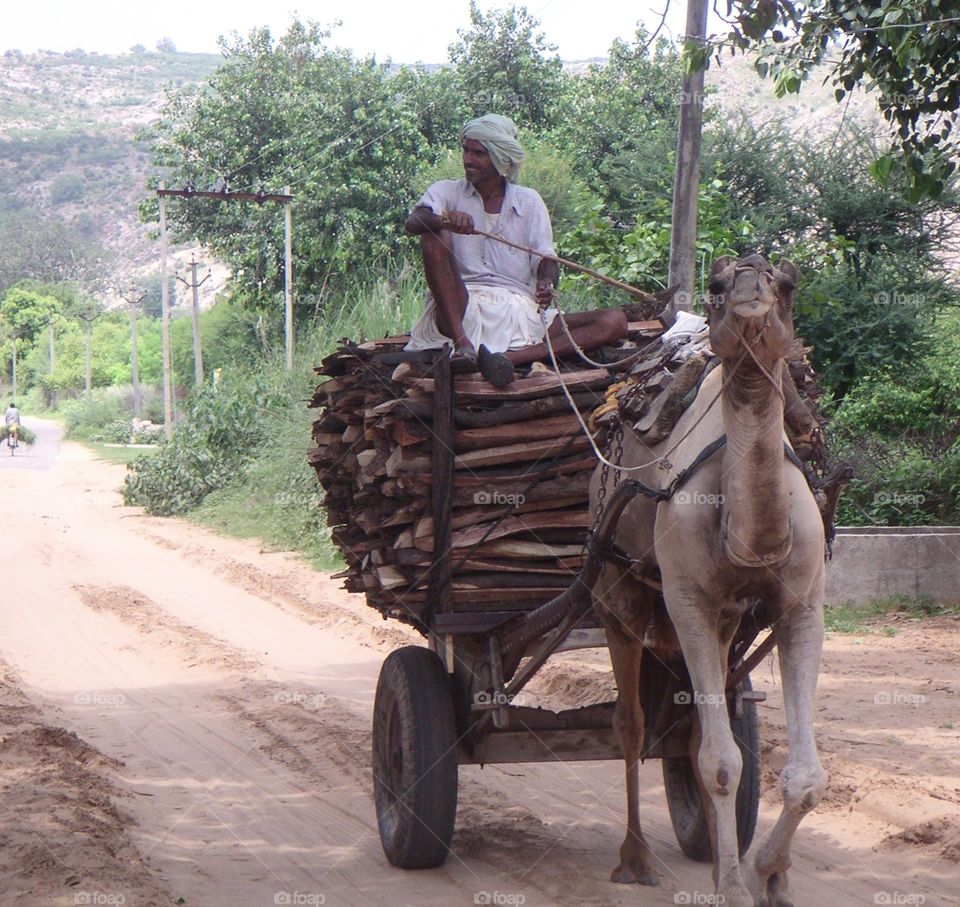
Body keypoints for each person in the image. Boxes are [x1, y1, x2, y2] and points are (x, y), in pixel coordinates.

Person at [404, 113, 626, 386]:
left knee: (614, 321)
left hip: (521, 314)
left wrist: (546, 281)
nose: (467, 160)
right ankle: (465, 348)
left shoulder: (529, 201)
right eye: (465, 150)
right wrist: (444, 221)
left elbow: (546, 257)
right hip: (460, 310)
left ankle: (511, 358)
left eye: (478, 153)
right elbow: (414, 222)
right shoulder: (446, 192)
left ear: (500, 159)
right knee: (432, 236)